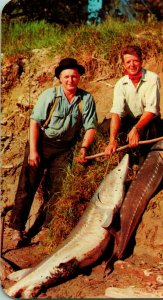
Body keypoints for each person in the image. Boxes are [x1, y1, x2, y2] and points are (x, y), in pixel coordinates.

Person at [9, 58, 97, 246]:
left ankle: (47, 229)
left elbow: (90, 127)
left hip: (64, 149)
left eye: (74, 76)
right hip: (41, 143)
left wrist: (83, 148)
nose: (70, 80)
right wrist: (33, 151)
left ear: (79, 77)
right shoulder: (49, 95)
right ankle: (17, 230)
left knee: (59, 188)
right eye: (66, 76)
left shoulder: (86, 99)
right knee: (27, 186)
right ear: (59, 78)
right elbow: (35, 122)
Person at [105, 45, 161, 162]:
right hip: (130, 120)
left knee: (145, 149)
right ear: (124, 65)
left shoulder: (152, 78)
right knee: (105, 128)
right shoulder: (121, 83)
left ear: (141, 61)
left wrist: (136, 129)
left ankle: (142, 161)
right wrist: (112, 141)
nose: (132, 65)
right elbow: (116, 113)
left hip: (148, 121)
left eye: (135, 61)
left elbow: (151, 111)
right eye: (128, 62)